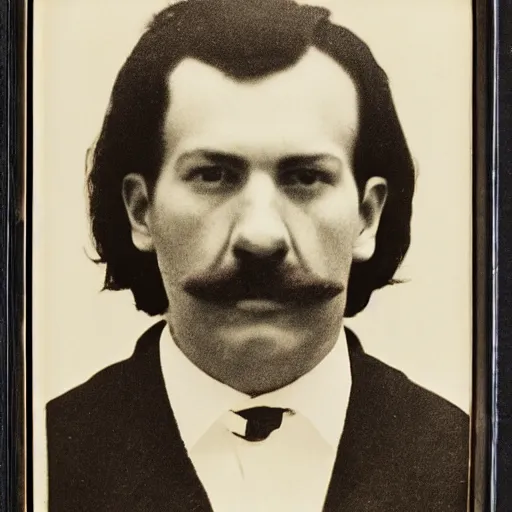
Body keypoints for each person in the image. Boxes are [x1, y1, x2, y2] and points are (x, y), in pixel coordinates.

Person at [46, 0, 469, 510]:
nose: (261, 237)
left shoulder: (469, 464)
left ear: (367, 216)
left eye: (306, 177)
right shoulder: (40, 456)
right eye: (212, 175)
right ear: (141, 211)